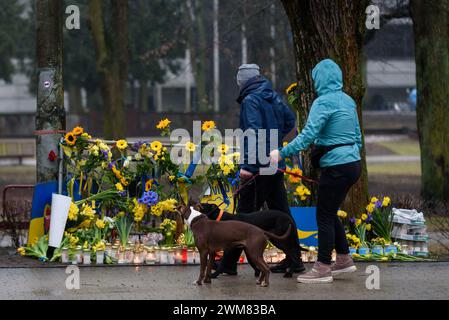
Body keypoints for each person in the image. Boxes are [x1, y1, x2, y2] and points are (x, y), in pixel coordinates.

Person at [270, 59, 362, 284]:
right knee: (330, 212)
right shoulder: (348, 100)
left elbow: (308, 135)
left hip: (336, 167)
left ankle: (322, 268)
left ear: (319, 80)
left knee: (323, 215)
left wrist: (282, 153)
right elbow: (358, 135)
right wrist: (349, 154)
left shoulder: (323, 102)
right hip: (353, 164)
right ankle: (343, 259)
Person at [212, 63, 304, 277]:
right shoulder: (273, 96)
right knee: (283, 214)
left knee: (242, 218)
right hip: (275, 165)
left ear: (242, 82)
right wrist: (274, 142)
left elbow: (252, 133)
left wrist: (247, 166)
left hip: (257, 169)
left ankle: (228, 264)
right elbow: (290, 121)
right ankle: (295, 260)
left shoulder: (250, 100)